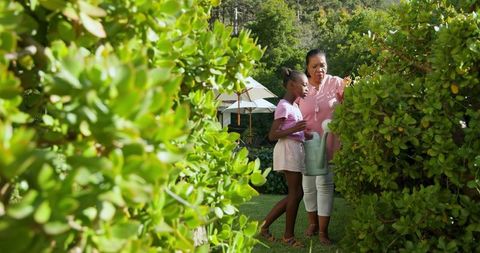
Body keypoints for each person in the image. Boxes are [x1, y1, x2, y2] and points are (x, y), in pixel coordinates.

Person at [298, 49, 350, 245]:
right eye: (315, 66)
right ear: (308, 69)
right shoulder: (301, 85)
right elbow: (293, 112)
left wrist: (349, 91)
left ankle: (323, 232)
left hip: (331, 145)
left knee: (326, 186)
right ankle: (312, 224)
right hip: (308, 145)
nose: (320, 69)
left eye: (323, 65)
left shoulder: (336, 82)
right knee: (309, 187)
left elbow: (348, 104)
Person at [260, 68, 309, 248]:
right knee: (295, 194)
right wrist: (295, 129)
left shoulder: (294, 107)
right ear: (291, 85)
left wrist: (305, 134)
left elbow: (294, 131)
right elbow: (273, 135)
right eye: (304, 85)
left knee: (297, 194)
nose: (307, 88)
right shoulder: (283, 106)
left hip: (295, 149)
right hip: (287, 150)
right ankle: (288, 237)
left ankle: (264, 227)